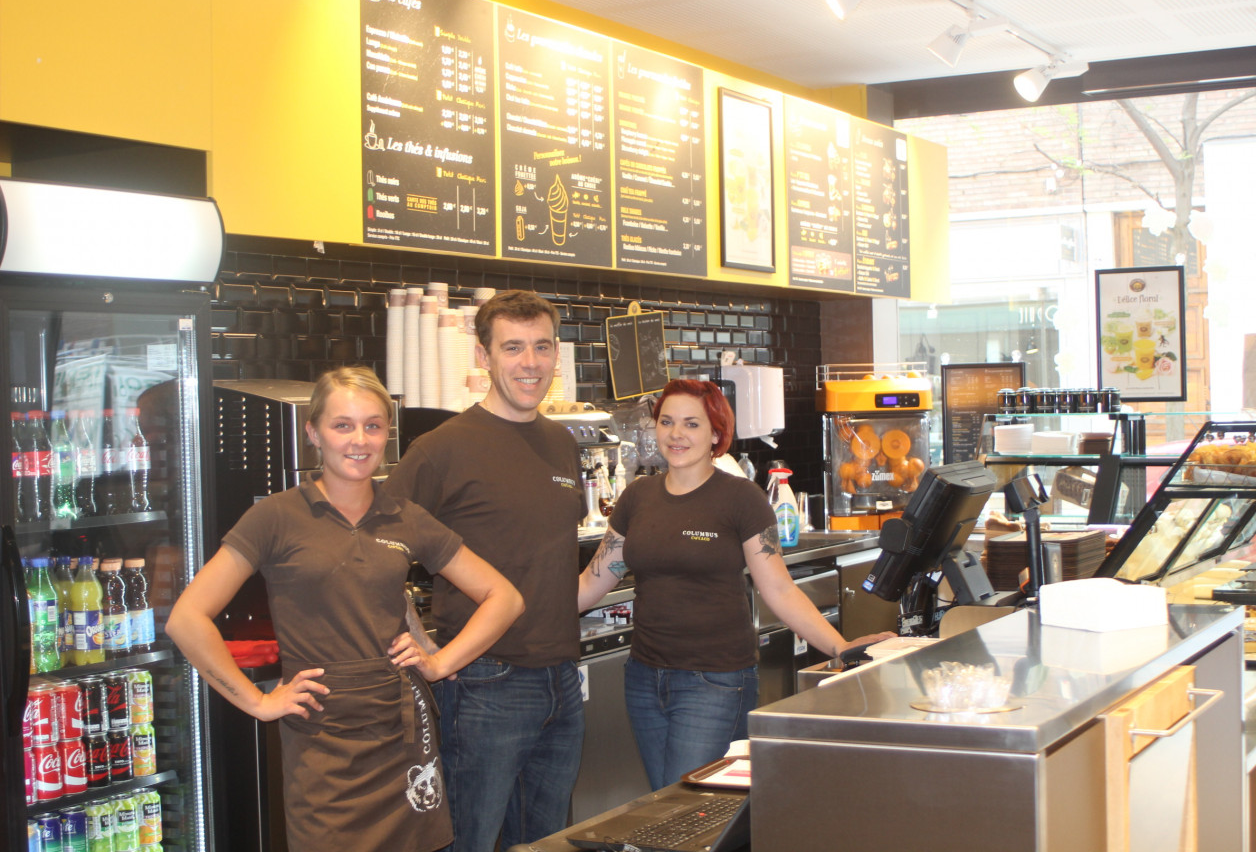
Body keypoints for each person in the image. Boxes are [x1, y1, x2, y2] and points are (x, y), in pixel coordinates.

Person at [166, 367, 523, 852]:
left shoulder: (405, 516)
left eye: (373, 426)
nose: (360, 440)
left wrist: (439, 663)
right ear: (314, 433)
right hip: (322, 744)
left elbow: (504, 597)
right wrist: (257, 701)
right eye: (343, 425)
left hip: (402, 737)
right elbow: (187, 618)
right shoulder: (275, 517)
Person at [578, 378, 892, 790]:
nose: (676, 434)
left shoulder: (741, 498)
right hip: (645, 677)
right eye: (667, 422)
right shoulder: (638, 497)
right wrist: (523, 615)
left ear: (715, 433)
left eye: (691, 423)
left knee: (690, 802)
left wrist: (839, 647)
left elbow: (778, 588)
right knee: (665, 805)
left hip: (714, 680)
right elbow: (598, 576)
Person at [385, 290, 586, 852]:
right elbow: (374, 552)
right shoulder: (441, 450)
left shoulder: (561, 443)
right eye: (513, 347)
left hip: (562, 681)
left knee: (546, 843)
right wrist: (423, 642)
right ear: (483, 357)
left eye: (541, 347)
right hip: (482, 685)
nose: (530, 363)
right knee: (468, 842)